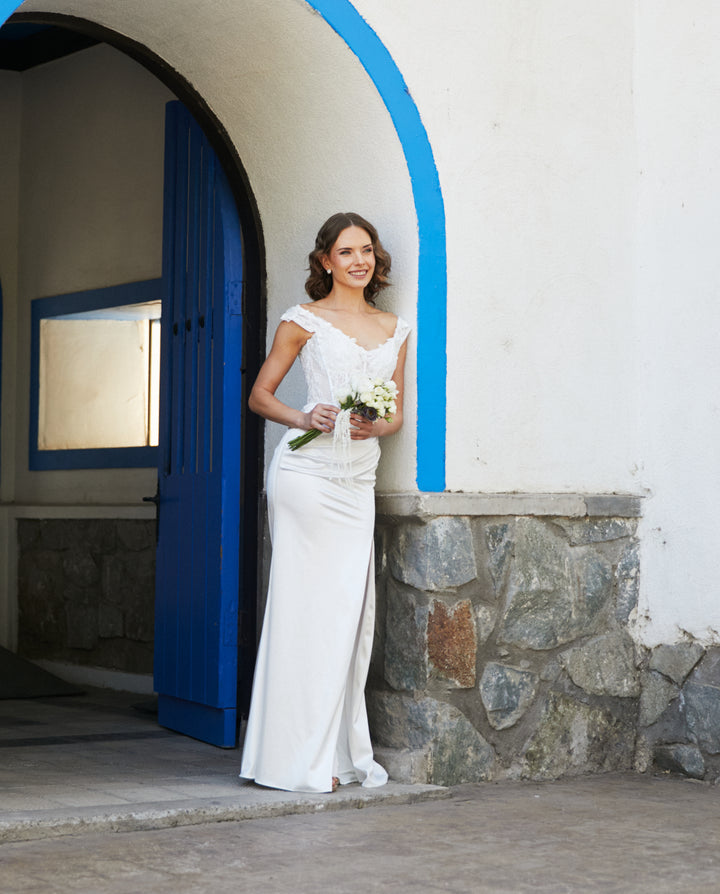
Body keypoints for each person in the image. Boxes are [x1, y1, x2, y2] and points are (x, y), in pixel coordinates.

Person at [239, 212, 410, 793]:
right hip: (306, 473)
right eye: (346, 252)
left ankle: (333, 755)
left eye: (367, 250)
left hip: (357, 482)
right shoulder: (302, 321)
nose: (359, 260)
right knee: (302, 610)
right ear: (325, 261)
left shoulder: (395, 328)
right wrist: (305, 415)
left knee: (345, 616)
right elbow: (260, 395)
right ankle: (292, 761)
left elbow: (396, 415)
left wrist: (374, 426)